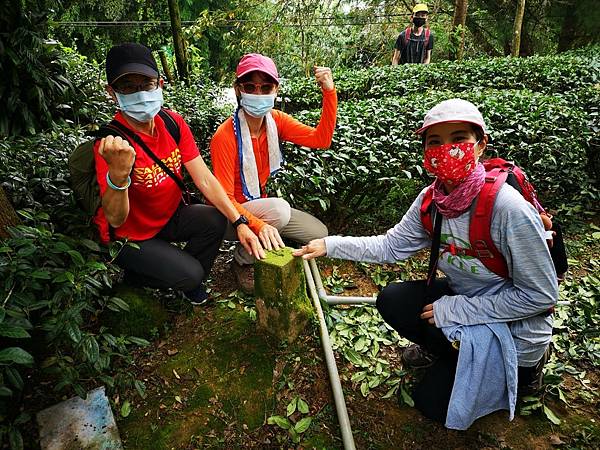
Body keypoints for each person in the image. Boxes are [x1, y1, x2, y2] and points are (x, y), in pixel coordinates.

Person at [294, 99, 558, 426]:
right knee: (393, 299)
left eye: (458, 139)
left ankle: (527, 370)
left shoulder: (507, 209)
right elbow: (390, 246)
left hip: (514, 330)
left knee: (433, 407)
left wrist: (457, 310)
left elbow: (540, 296)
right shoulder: (432, 201)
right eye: (435, 142)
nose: (446, 150)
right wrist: (329, 244)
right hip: (469, 303)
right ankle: (452, 351)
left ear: (480, 145)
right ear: (425, 151)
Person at [94, 43, 263, 305]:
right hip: (132, 236)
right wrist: (118, 176)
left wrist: (241, 223)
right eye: (128, 86)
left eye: (146, 83)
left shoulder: (172, 123)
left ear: (159, 84)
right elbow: (115, 220)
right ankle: (141, 276)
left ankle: (181, 276)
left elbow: (205, 178)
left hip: (168, 216)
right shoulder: (111, 144)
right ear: (112, 93)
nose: (140, 93)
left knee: (216, 218)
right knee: (192, 273)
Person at [210, 53, 337, 293]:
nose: (258, 94)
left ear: (275, 90)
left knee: (318, 233)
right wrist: (258, 224)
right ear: (238, 90)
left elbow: (321, 139)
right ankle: (242, 259)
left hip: (260, 206)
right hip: (229, 217)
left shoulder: (276, 121)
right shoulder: (224, 136)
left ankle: (267, 237)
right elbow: (224, 197)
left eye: (266, 87)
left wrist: (329, 93)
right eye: (250, 87)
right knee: (278, 210)